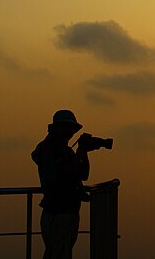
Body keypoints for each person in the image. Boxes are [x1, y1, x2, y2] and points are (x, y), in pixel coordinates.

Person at [32, 109, 90, 259]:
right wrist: (80, 151)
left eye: (70, 128)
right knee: (59, 253)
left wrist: (83, 152)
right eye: (65, 127)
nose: (69, 131)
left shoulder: (63, 150)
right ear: (55, 128)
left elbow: (83, 174)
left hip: (65, 210)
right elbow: (67, 173)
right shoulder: (51, 149)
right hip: (59, 211)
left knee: (58, 252)